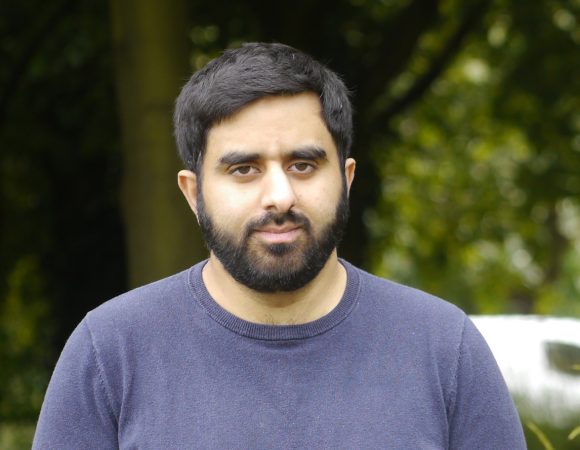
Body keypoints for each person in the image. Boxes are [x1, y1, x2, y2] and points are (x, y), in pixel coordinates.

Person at [33, 42, 526, 449]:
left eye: (304, 165)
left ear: (347, 179)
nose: (280, 196)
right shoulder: (109, 352)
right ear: (192, 192)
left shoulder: (444, 348)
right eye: (243, 169)